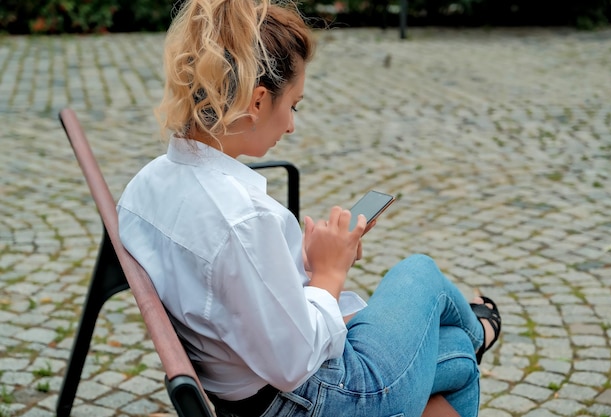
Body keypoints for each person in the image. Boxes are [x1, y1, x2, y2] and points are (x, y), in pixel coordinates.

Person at [116, 0, 502, 416]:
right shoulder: (243, 218)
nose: (291, 125)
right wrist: (329, 271)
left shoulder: (146, 186)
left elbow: (229, 286)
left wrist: (298, 259)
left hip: (249, 387)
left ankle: (475, 335)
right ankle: (481, 330)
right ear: (258, 101)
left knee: (455, 357)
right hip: (315, 399)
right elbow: (296, 359)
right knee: (419, 272)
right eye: (292, 106)